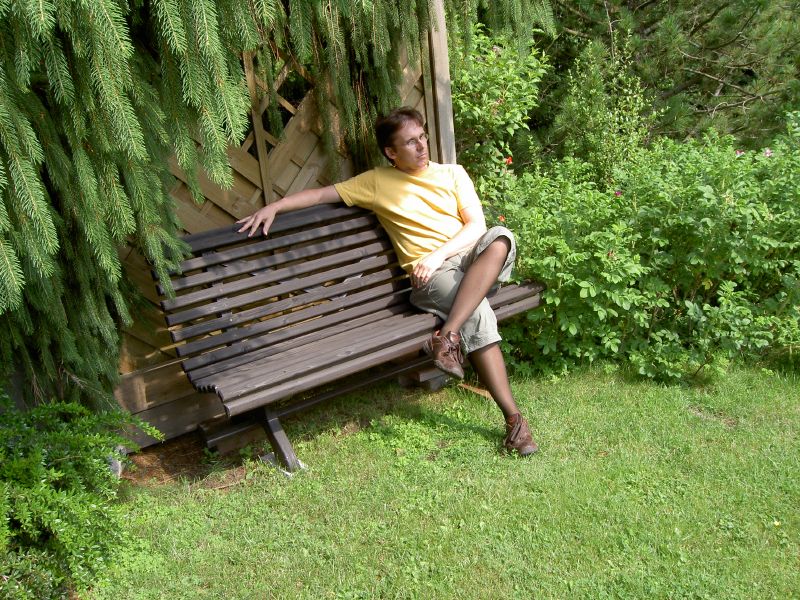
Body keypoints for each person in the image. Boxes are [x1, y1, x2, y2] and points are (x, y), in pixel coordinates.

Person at [237, 107, 538, 456]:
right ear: (391, 152)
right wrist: (275, 207)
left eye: (422, 137)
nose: (421, 147)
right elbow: (321, 195)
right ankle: (514, 421)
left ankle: (447, 336)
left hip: (465, 262)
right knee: (479, 312)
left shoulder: (453, 174)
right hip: (432, 278)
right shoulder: (377, 182)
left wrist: (437, 254)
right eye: (410, 142)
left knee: (501, 237)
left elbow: (476, 227)